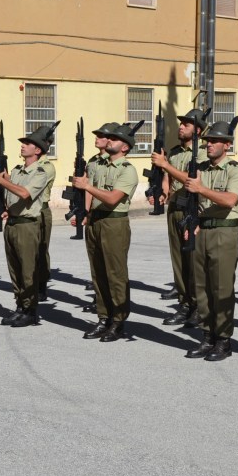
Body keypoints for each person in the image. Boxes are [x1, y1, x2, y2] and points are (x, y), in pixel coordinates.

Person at [183, 120, 238, 361]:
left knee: (221, 288)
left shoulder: (235, 169)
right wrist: (192, 222)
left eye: (215, 141)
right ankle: (207, 336)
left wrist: (201, 189)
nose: (209, 145)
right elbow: (193, 202)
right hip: (203, 230)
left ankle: (223, 339)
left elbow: (230, 200)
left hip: (224, 231)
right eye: (208, 141)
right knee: (202, 288)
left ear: (226, 145)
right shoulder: (201, 169)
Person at [72, 121, 140, 342]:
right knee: (98, 273)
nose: (109, 140)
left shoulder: (128, 170)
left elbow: (112, 198)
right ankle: (103, 318)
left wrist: (87, 187)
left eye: (115, 139)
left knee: (115, 274)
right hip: (95, 221)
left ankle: (118, 321)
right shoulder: (98, 165)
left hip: (114, 223)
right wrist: (82, 212)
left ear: (125, 147)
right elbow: (89, 194)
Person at [0, 124, 57, 327]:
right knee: (15, 269)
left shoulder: (41, 171)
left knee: (28, 270)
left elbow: (25, 193)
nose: (23, 146)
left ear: (38, 150)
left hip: (28, 225)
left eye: (28, 144)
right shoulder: (18, 170)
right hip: (12, 222)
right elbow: (13, 195)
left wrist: (2, 182)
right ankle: (20, 306)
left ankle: (30, 309)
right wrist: (5, 208)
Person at [149, 109, 209, 326]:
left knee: (193, 261)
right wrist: (164, 190)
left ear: (198, 131)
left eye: (186, 124)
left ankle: (199, 307)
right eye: (181, 123)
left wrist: (165, 165)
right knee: (179, 261)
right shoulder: (174, 152)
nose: (181, 126)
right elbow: (168, 178)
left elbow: (192, 180)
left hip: (192, 210)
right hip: (175, 208)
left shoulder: (202, 153)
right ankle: (185, 305)